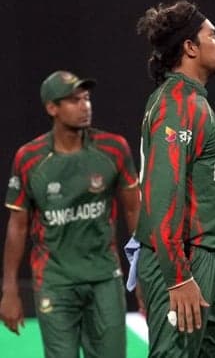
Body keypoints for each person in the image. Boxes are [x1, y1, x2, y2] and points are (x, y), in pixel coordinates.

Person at [0, 70, 140, 358]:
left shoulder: (113, 148)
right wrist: (9, 289)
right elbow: (17, 226)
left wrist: (144, 275)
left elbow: (134, 209)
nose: (84, 106)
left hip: (104, 277)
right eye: (74, 100)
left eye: (86, 98)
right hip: (55, 281)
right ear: (52, 108)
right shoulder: (29, 158)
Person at [135, 0, 215, 357]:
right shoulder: (177, 103)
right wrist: (178, 276)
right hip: (186, 256)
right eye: (213, 36)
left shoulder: (193, 100)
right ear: (190, 47)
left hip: (205, 254)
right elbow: (163, 195)